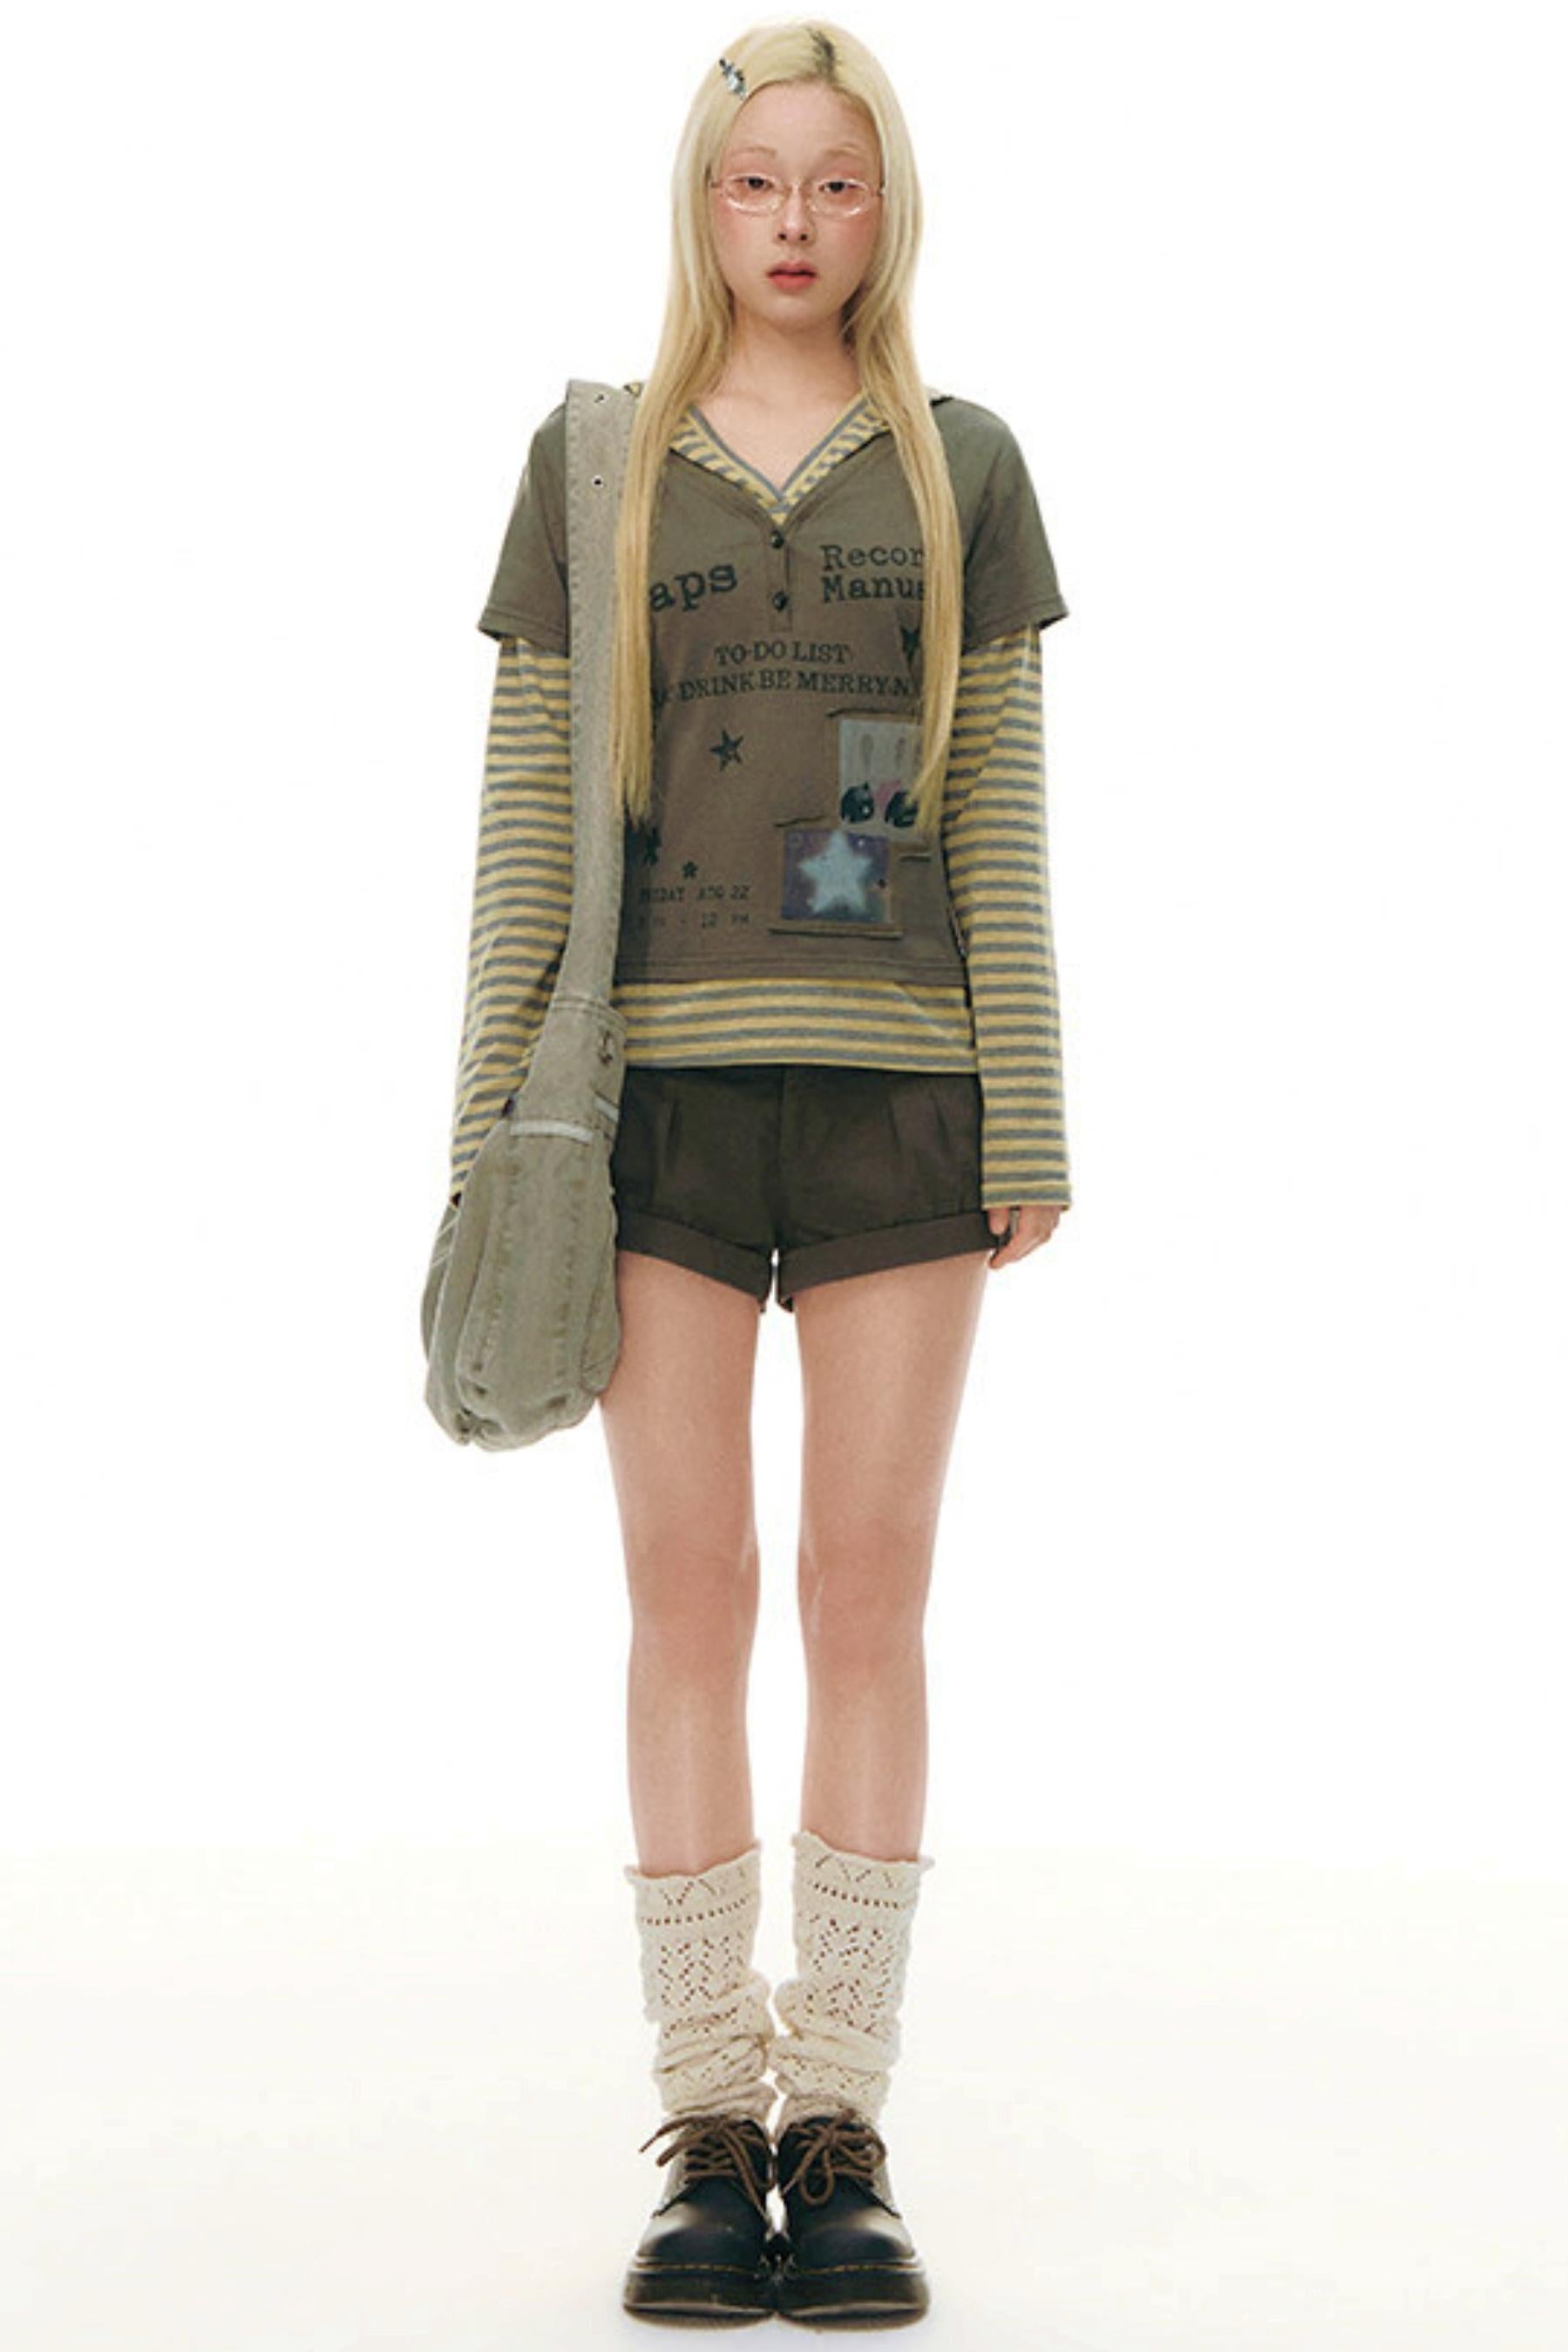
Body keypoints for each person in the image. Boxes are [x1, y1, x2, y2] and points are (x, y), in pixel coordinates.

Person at [440, 20, 1072, 2327]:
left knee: (869, 1592)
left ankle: (846, 2130)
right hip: (659, 1106)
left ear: (885, 204)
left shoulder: (960, 462)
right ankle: (712, 2120)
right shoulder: (598, 464)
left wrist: (1033, 1106)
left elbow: (996, 803)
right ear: (699, 204)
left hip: (906, 1089)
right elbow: (533, 814)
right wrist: (488, 1130)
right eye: (754, 181)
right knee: (686, 1592)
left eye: (835, 181)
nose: (794, 221)